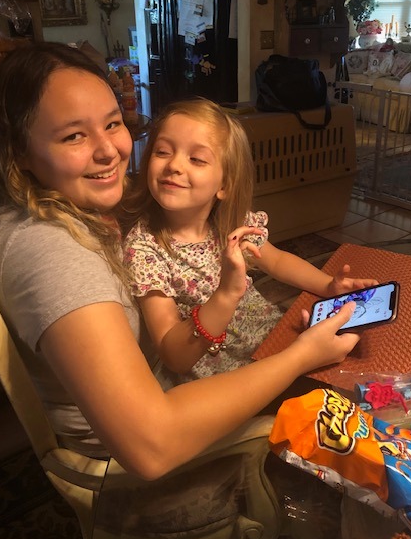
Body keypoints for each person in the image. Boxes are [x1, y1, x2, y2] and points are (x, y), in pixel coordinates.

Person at [0, 41, 361, 481]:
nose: (109, 151)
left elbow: (267, 256)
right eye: (73, 136)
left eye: (113, 123)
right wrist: (299, 357)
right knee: (353, 411)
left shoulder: (98, 202)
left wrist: (321, 295)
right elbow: (153, 445)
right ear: (19, 152)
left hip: (217, 374)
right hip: (158, 464)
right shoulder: (53, 253)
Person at [121, 98, 378, 385]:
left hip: (271, 340)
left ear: (224, 185)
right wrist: (226, 294)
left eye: (196, 159)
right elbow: (174, 355)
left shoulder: (229, 223)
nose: (174, 165)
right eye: (162, 152)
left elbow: (277, 261)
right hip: (227, 379)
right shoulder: (145, 249)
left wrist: (328, 286)